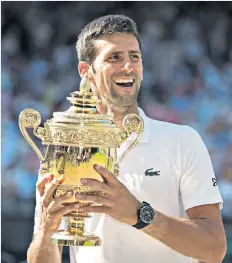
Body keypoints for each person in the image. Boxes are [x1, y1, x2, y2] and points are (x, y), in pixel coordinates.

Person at [27, 15, 227, 263]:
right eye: (115, 57)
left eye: (134, 57)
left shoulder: (183, 141)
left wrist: (137, 214)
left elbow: (214, 248)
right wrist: (46, 231)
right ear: (85, 70)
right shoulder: (64, 146)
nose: (128, 66)